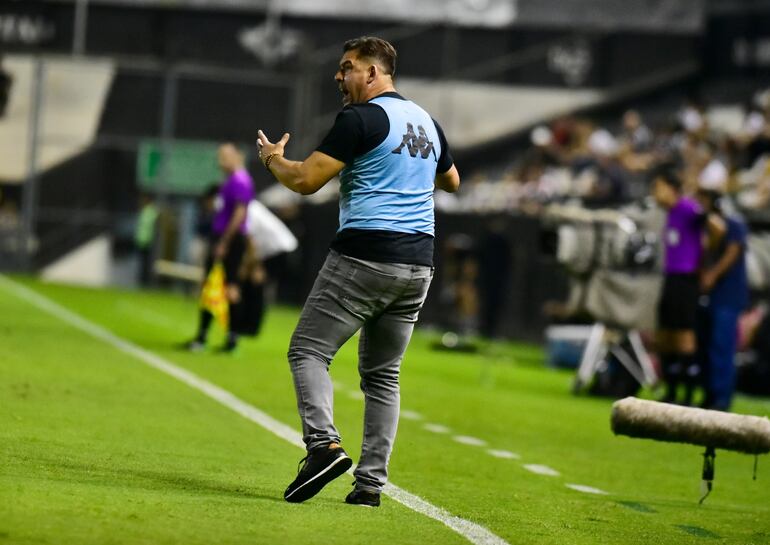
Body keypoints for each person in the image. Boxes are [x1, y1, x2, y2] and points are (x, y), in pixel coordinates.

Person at [256, 36, 460, 507]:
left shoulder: (360, 118)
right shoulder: (427, 122)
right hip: (419, 264)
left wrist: (273, 160)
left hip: (366, 255)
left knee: (308, 350)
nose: (339, 76)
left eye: (347, 67)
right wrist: (405, 171)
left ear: (373, 72)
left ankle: (323, 445)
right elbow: (452, 180)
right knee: (384, 377)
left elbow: (305, 181)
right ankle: (369, 486)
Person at [651, 164, 712, 405]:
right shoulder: (671, 213)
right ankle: (671, 391)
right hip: (671, 276)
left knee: (684, 335)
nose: (656, 193)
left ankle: (686, 395)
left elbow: (714, 225)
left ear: (672, 189)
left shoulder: (688, 209)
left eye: (659, 188)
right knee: (664, 334)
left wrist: (705, 265)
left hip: (686, 279)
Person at [185, 143, 254, 353]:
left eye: (224, 157)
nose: (220, 162)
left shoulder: (241, 181)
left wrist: (224, 242)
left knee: (230, 287)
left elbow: (239, 214)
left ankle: (228, 338)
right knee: (212, 285)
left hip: (229, 240)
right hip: (225, 238)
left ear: (236, 157)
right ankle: (208, 336)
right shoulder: (232, 180)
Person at [695, 170, 749, 411]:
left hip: (727, 296)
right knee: (706, 346)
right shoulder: (705, 226)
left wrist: (712, 274)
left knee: (722, 347)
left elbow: (733, 250)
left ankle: (721, 398)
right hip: (712, 296)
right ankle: (708, 394)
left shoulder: (733, 222)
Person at [134, 192, 158, 287]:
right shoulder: (143, 211)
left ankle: (145, 282)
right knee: (141, 263)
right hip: (141, 240)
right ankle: (141, 281)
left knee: (146, 263)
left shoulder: (152, 212)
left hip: (148, 241)